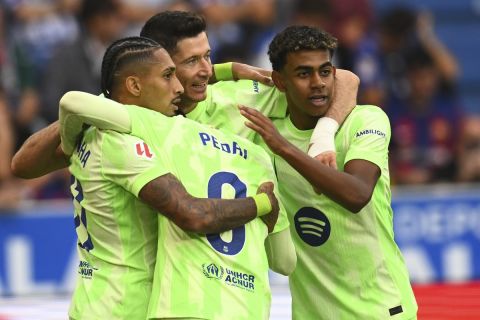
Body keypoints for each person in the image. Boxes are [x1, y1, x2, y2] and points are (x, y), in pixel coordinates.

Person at [57, 36, 293, 319]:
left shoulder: (93, 132)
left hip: (93, 301)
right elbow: (193, 214)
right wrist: (262, 204)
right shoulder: (128, 141)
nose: (179, 87)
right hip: (126, 306)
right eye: (169, 75)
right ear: (134, 86)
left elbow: (25, 159)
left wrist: (69, 146)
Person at [11, 10, 359, 178]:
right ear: (158, 64)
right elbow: (24, 165)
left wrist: (324, 136)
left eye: (208, 56)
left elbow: (343, 78)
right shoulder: (117, 117)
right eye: (192, 61)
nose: (207, 69)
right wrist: (99, 104)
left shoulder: (240, 97)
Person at [239, 25, 417, 319]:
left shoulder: (365, 119)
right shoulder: (268, 132)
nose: (318, 83)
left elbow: (357, 193)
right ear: (280, 82)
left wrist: (288, 148)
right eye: (303, 74)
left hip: (380, 308)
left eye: (324, 71)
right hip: (312, 313)